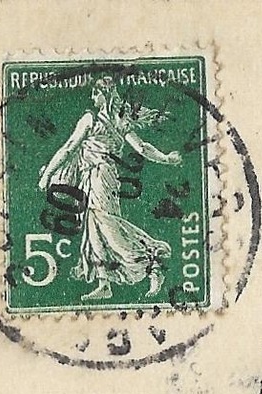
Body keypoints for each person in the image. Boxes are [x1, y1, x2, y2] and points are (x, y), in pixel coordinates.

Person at [35, 76, 182, 300]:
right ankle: (104, 283)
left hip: (100, 176)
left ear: (105, 94)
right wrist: (166, 159)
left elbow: (67, 149)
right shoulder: (119, 121)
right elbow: (142, 148)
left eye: (96, 93)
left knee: (106, 225)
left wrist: (47, 175)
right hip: (96, 177)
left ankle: (151, 262)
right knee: (95, 228)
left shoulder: (91, 118)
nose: (93, 98)